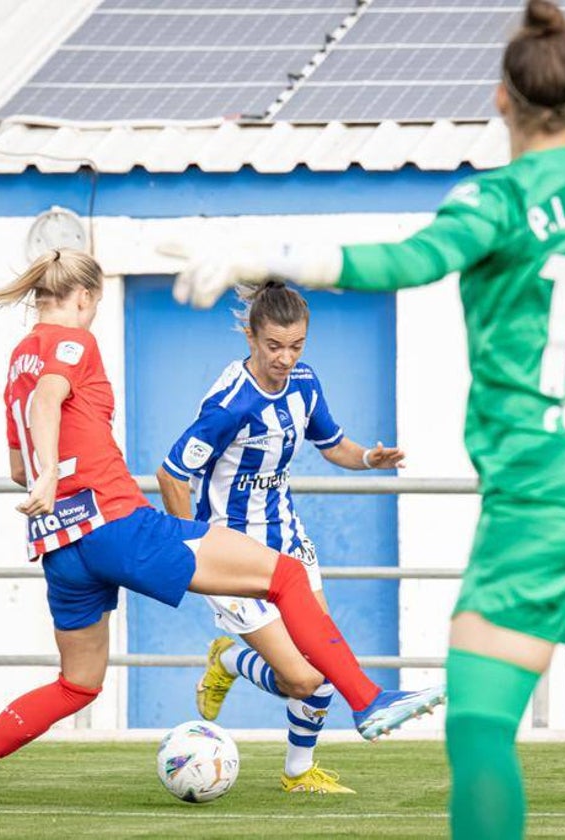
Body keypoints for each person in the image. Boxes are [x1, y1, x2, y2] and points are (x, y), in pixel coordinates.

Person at [161, 2, 565, 837]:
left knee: (481, 724)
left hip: (546, 486)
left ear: (500, 101)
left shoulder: (497, 202)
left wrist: (273, 257)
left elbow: (406, 260)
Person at [0, 249, 445, 809]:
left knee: (78, 683)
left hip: (60, 545)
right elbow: (50, 407)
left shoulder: (17, 360)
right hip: (116, 525)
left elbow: (16, 468)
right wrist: (54, 474)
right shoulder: (74, 341)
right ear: (86, 297)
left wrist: (46, 479)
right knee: (286, 576)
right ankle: (366, 699)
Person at [156, 280, 405, 795]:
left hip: (288, 540)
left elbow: (331, 444)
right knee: (302, 679)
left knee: (325, 661)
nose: (285, 359)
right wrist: (194, 550)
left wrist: (366, 459)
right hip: (231, 552)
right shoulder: (230, 404)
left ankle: (299, 772)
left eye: (296, 346)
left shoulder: (305, 383)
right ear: (250, 336)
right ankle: (229, 658)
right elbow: (170, 474)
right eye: (274, 346)